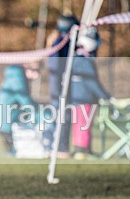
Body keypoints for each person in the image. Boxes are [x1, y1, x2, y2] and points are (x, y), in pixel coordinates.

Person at [69, 27, 112, 160]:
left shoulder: (77, 58)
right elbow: (92, 83)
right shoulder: (84, 61)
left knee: (80, 125)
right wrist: (106, 97)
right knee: (83, 125)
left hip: (78, 98)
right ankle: (82, 150)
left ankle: (82, 149)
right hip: (84, 98)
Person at [45, 14, 79, 157]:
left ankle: (60, 147)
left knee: (65, 116)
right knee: (61, 117)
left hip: (63, 86)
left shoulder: (66, 43)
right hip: (60, 88)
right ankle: (60, 148)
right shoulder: (60, 43)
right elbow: (55, 66)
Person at [0, 64, 38, 156]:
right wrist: (39, 112)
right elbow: (26, 102)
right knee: (14, 150)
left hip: (4, 121)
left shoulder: (15, 77)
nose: (36, 75)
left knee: (11, 150)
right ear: (26, 66)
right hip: (7, 123)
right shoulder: (17, 79)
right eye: (34, 71)